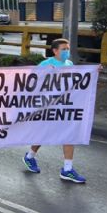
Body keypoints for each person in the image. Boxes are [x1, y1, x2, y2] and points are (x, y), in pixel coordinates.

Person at [22, 38, 87, 183]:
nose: (67, 51)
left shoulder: (69, 64)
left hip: (64, 106)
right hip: (47, 107)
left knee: (69, 135)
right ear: (55, 51)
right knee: (43, 134)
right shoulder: (46, 64)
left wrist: (94, 71)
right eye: (64, 49)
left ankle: (67, 169)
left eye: (68, 48)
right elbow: (31, 82)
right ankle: (29, 156)